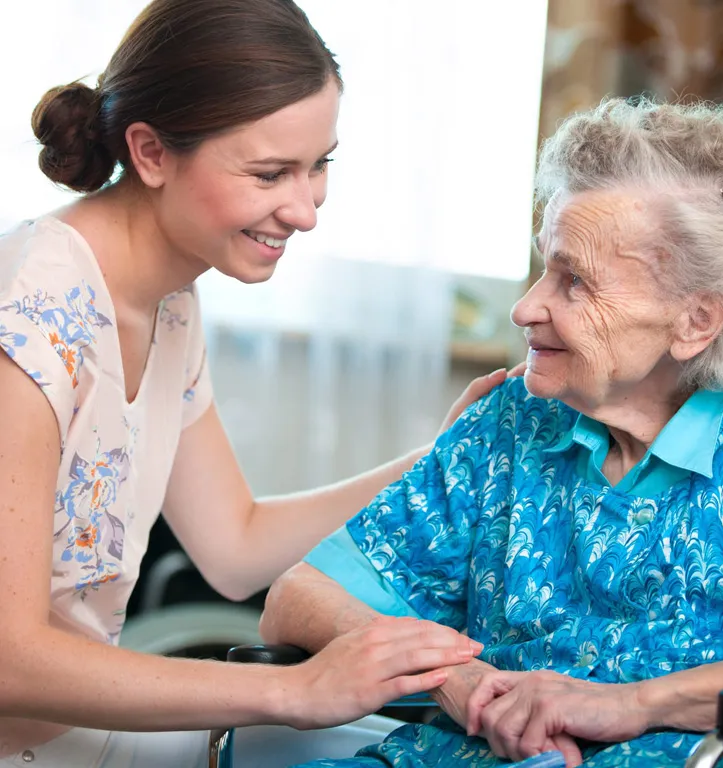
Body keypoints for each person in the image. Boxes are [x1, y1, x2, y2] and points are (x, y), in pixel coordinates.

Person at [0, 0, 503, 765]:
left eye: (320, 165)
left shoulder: (169, 299)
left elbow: (234, 544)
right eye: (270, 173)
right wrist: (293, 690)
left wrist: (441, 458)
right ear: (151, 152)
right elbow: (8, 660)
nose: (305, 210)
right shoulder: (29, 317)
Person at [261, 96, 723, 768]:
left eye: (575, 281)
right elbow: (297, 599)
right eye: (543, 268)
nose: (526, 308)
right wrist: (457, 680)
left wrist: (632, 704)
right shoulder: (513, 420)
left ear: (696, 321)